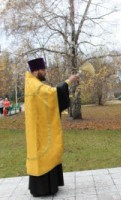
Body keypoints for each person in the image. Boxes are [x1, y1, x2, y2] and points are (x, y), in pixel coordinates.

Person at [25, 58, 78, 197]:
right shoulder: (34, 85)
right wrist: (68, 81)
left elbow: (48, 94)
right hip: (40, 130)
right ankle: (44, 188)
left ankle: (49, 186)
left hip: (38, 127)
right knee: (45, 151)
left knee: (46, 152)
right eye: (43, 70)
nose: (45, 72)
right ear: (36, 71)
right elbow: (52, 93)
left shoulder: (32, 82)